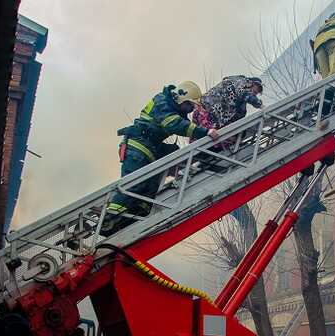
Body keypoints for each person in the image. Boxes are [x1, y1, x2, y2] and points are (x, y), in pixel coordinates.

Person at [101, 81, 218, 235]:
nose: (190, 111)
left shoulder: (173, 108)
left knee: (148, 192)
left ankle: (131, 220)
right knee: (133, 186)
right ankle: (108, 220)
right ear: (182, 98)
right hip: (137, 147)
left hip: (150, 147)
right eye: (190, 106)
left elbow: (182, 124)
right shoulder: (162, 101)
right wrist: (205, 132)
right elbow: (174, 124)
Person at [192, 75, 263, 144]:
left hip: (207, 113)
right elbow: (245, 94)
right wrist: (260, 105)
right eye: (255, 92)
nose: (254, 95)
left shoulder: (239, 98)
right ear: (252, 83)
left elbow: (240, 114)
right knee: (209, 138)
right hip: (207, 111)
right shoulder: (241, 82)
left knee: (201, 138)